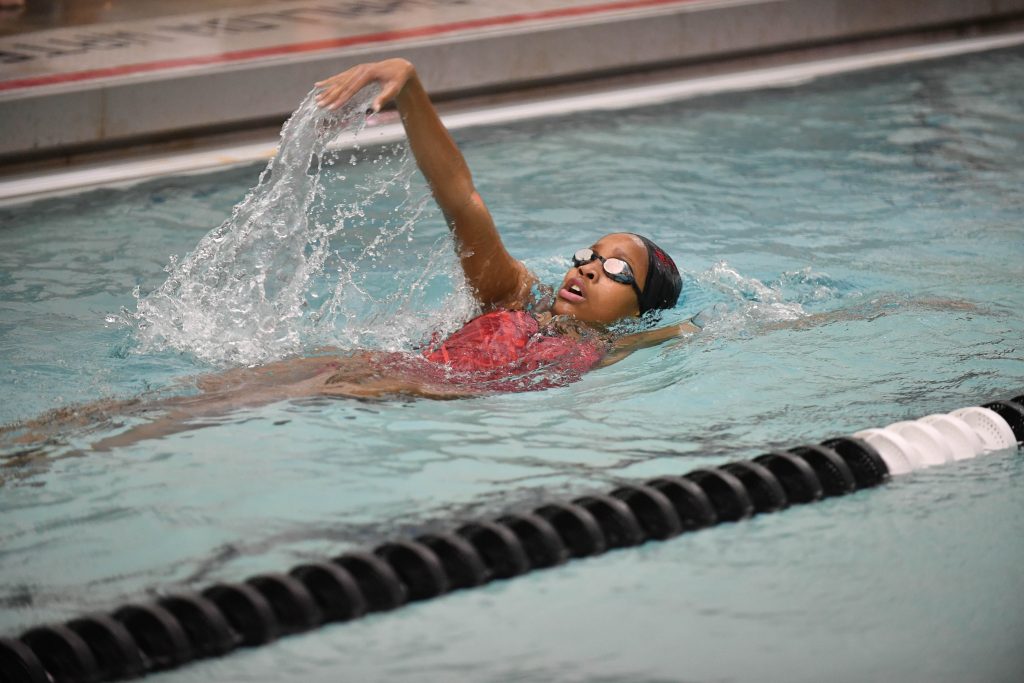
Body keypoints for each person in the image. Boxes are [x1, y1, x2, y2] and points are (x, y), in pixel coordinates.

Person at [1, 58, 696, 452]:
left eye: (612, 270)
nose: (584, 267)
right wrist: (411, 84)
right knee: (180, 408)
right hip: (375, 376)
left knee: (193, 419)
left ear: (637, 305)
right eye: (588, 254)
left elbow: (689, 334)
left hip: (386, 394)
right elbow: (460, 196)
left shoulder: (614, 350)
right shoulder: (512, 295)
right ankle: (42, 443)